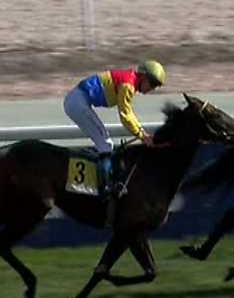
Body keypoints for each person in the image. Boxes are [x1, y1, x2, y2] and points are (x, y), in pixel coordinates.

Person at [63, 60, 166, 199]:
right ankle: (105, 188)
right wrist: (142, 135)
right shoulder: (128, 85)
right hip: (77, 102)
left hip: (77, 100)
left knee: (104, 143)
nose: (152, 89)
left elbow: (128, 113)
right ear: (143, 76)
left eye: (156, 86)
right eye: (152, 84)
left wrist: (141, 133)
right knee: (106, 144)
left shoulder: (130, 80)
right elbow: (125, 115)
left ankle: (102, 180)